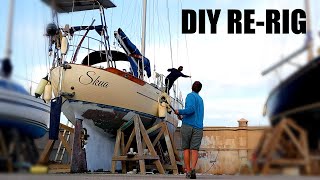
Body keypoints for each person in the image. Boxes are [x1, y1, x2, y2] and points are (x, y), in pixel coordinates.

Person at [175, 81, 204, 179]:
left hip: (188, 126)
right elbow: (196, 113)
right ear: (200, 89)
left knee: (186, 148)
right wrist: (183, 116)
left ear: (192, 87)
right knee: (195, 149)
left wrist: (180, 111)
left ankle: (188, 171)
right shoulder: (200, 99)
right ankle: (193, 170)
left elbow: (191, 109)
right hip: (198, 127)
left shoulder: (190, 96)